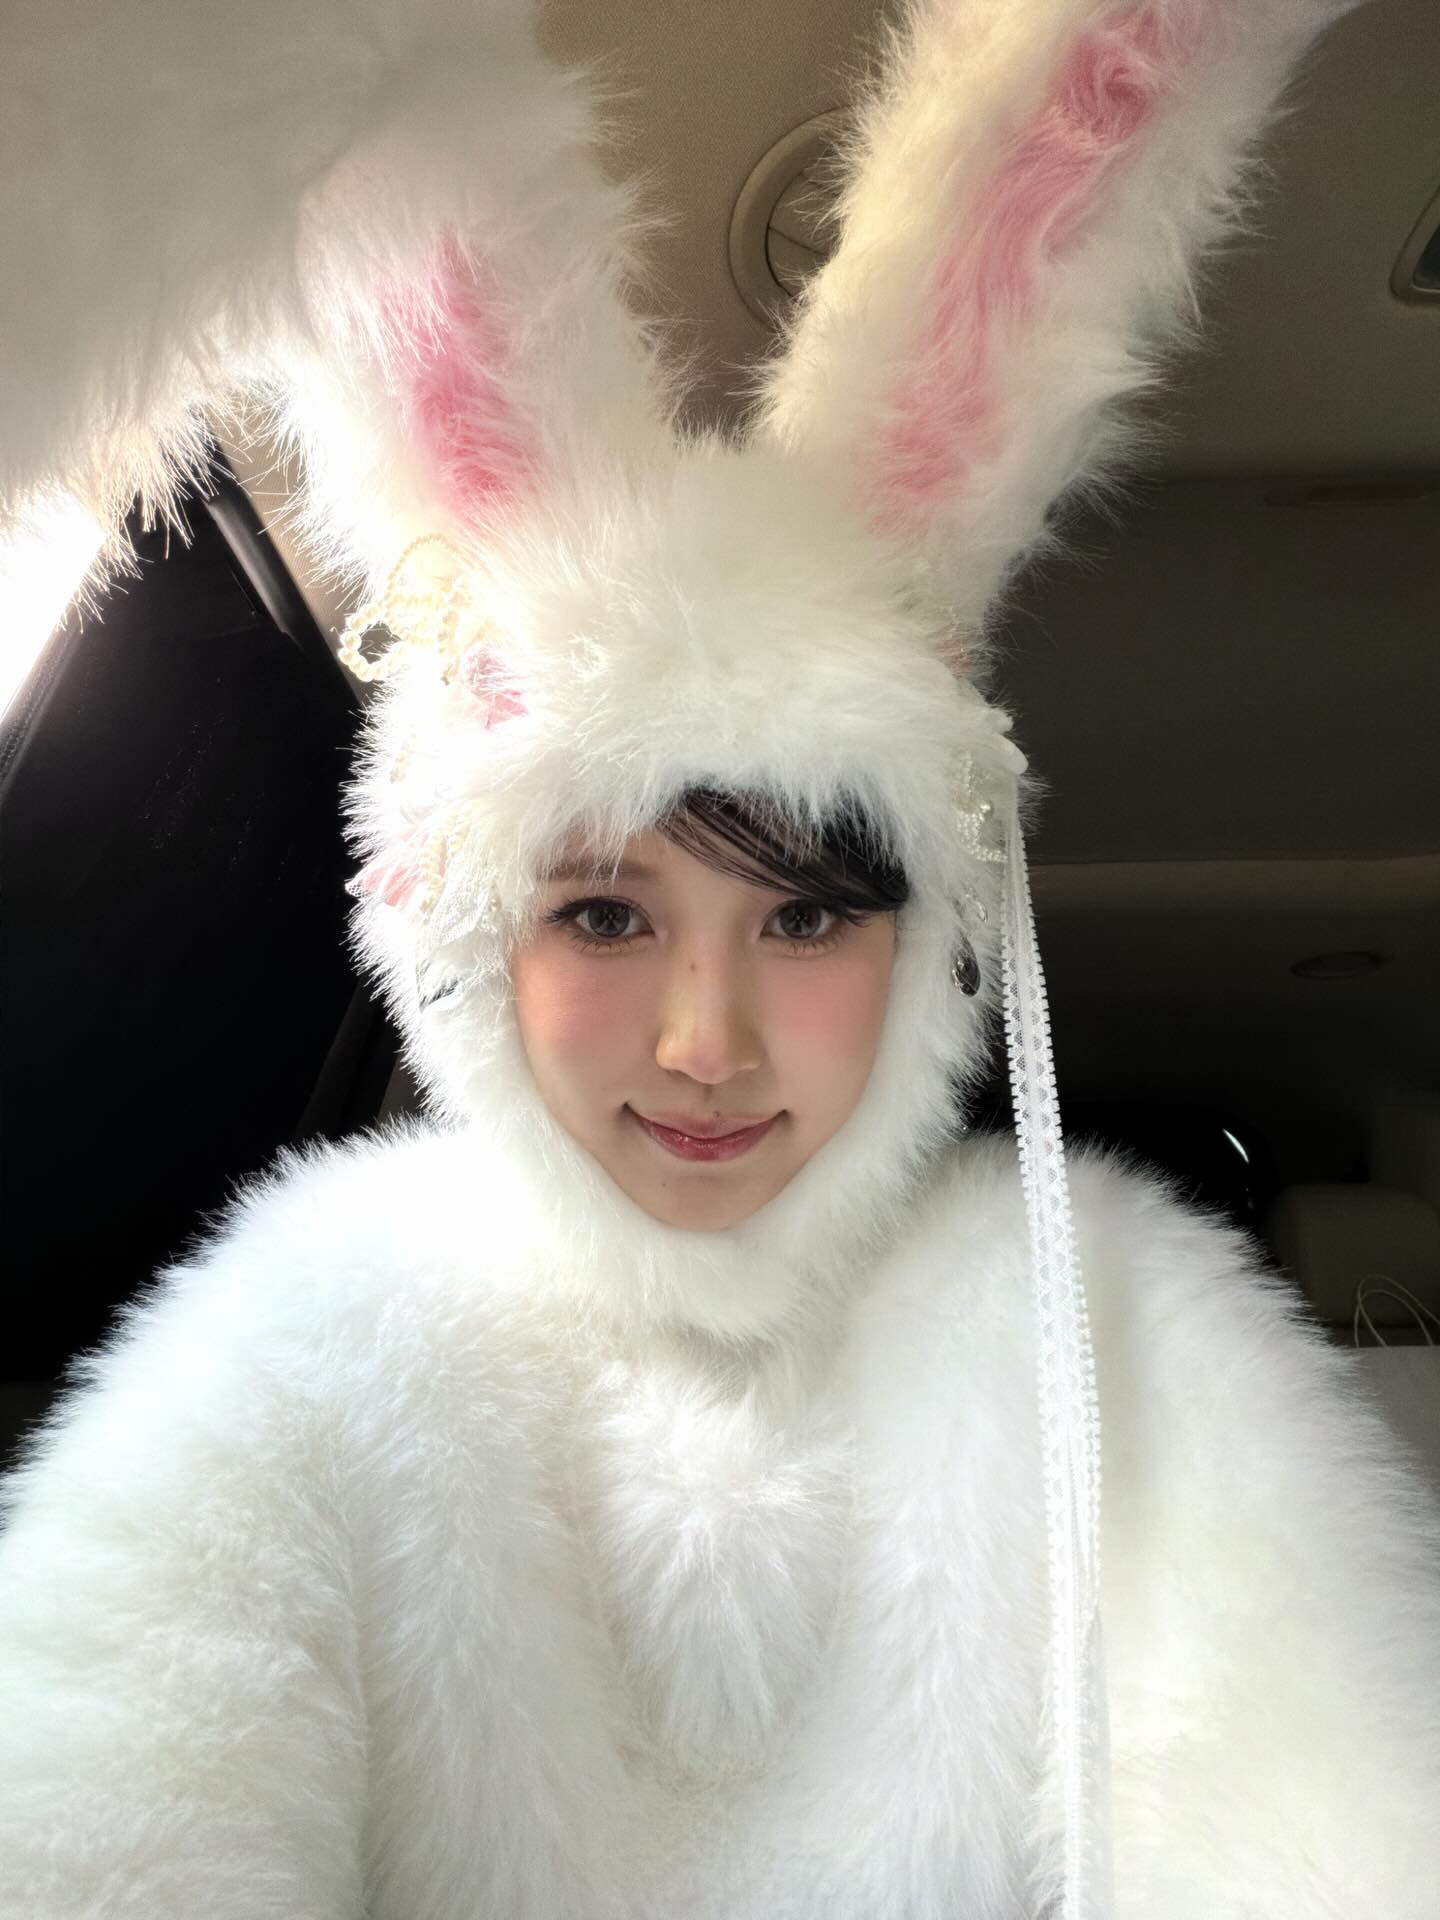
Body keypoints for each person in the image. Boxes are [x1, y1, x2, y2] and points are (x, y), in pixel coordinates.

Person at [1, 0, 1436, 1916]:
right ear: (466, 931)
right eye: (604, 913)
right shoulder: (314, 1334)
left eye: (810, 915)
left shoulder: (1103, 1333)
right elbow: (102, 1778)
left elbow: (1331, 1812)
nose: (704, 1039)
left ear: (930, 941)